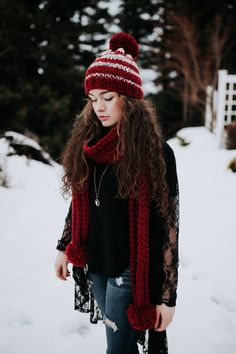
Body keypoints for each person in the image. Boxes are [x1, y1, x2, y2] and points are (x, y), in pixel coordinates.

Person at [54, 32, 179, 354]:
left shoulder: (155, 153)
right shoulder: (90, 147)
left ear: (130, 98)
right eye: (93, 98)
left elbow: (169, 225)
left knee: (118, 348)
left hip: (130, 269)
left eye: (107, 97)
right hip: (95, 261)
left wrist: (166, 297)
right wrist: (64, 246)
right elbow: (81, 202)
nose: (99, 107)